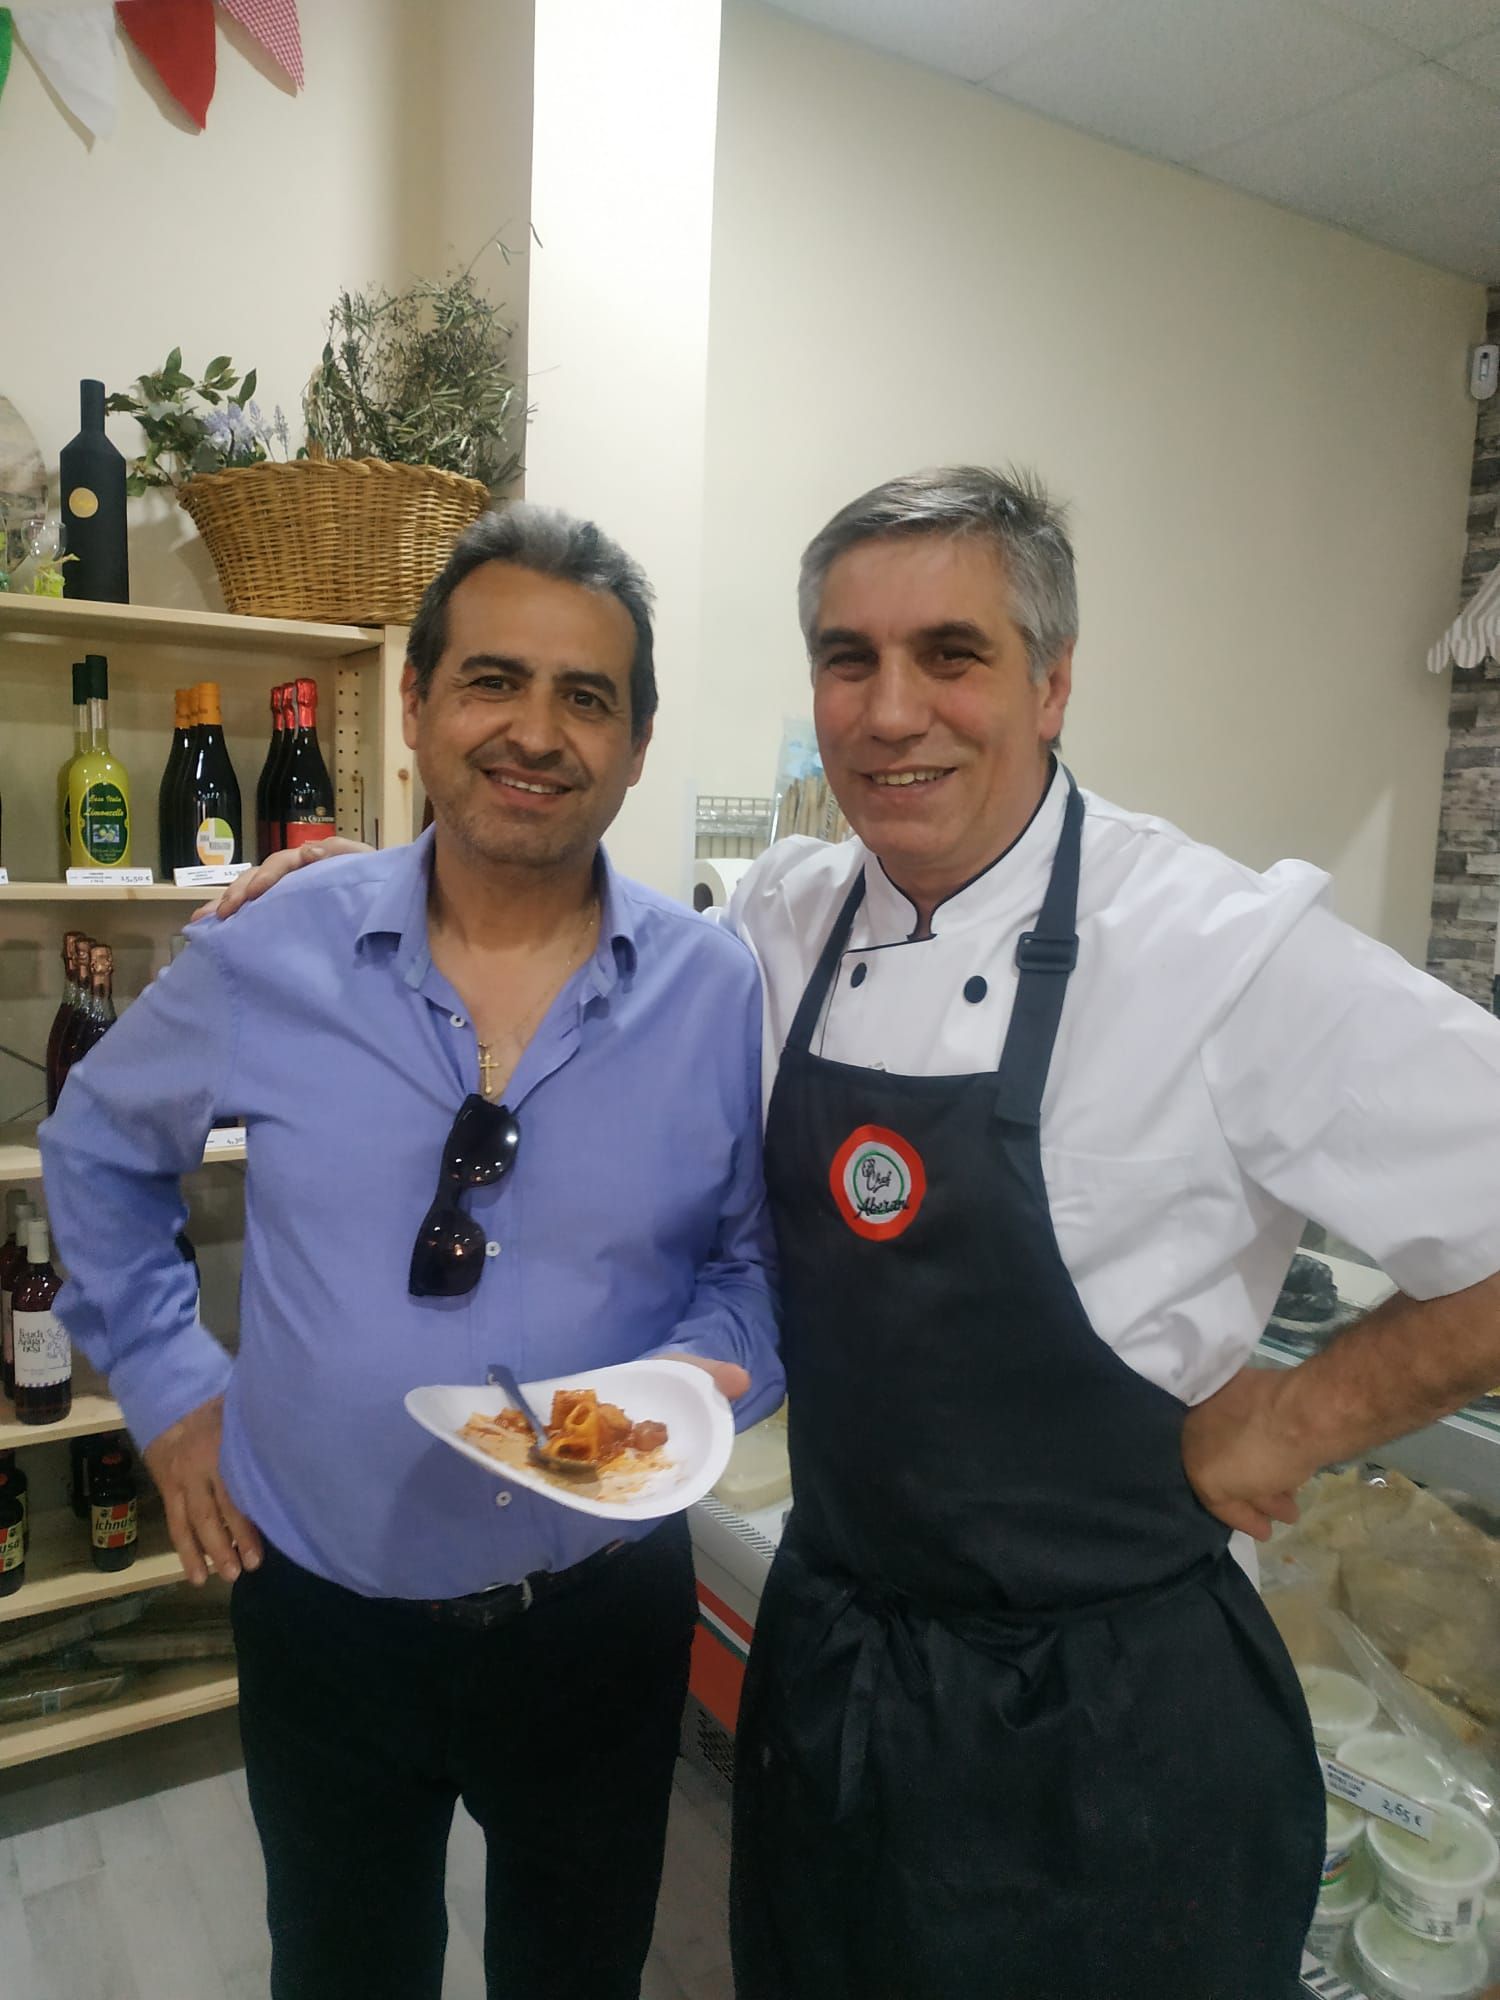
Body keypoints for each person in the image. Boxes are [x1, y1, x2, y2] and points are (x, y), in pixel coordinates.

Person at [217, 468, 1500, 1997]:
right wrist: (365, 898)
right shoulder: (781, 919)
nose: (892, 711)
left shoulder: (1221, 952)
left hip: (1108, 1723)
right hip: (834, 1673)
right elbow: (556, 947)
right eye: (848, 658)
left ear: (1054, 680)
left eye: (950, 655)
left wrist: (1300, 1415)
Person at [40, 505, 783, 2000]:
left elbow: (749, 1263)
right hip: (326, 1607)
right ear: (421, 709)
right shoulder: (279, 950)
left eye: (589, 698)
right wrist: (176, 1391)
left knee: (576, 1972)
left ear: (637, 746)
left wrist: (709, 1380)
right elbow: (98, 1149)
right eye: (494, 680)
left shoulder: (711, 990)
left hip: (598, 1606)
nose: (538, 731)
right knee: (342, 1962)